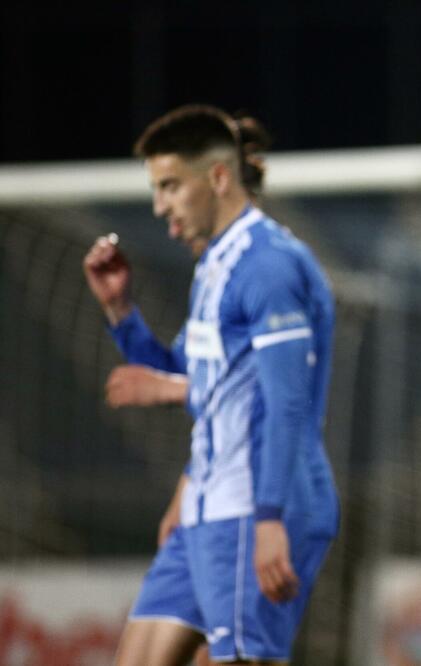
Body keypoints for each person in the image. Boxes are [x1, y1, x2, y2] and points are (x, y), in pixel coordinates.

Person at [82, 105, 339, 665]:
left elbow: (285, 401)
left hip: (252, 504)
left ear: (219, 177)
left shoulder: (269, 265)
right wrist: (121, 312)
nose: (160, 206)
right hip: (206, 502)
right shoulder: (215, 266)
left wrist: (269, 518)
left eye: (170, 186)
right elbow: (186, 373)